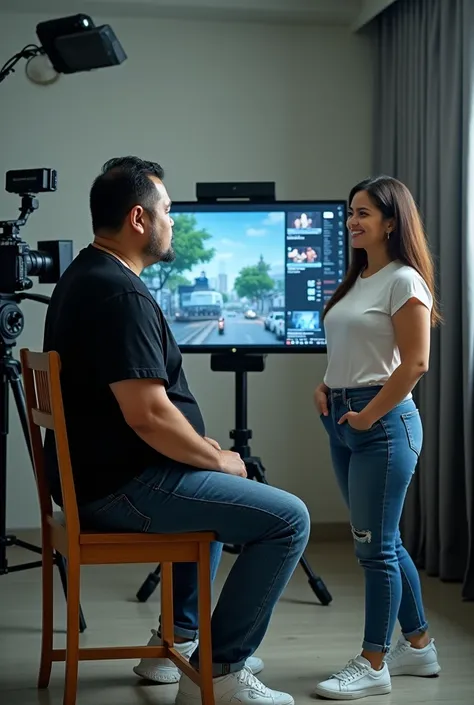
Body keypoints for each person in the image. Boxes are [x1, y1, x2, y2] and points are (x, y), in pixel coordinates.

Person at [42, 156, 310, 705]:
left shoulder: (86, 276)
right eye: (168, 211)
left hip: (103, 476)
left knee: (217, 499)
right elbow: (148, 415)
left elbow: (145, 414)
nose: (175, 222)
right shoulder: (120, 294)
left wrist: (198, 449)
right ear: (139, 218)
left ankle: (178, 643)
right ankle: (223, 671)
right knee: (288, 519)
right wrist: (217, 460)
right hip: (124, 484)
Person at [313, 176, 441, 700]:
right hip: (345, 421)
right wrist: (325, 382)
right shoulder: (359, 279)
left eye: (363, 213)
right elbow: (352, 346)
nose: (352, 222)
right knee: (381, 544)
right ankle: (420, 645)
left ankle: (373, 662)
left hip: (382, 426)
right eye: (350, 213)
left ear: (392, 221)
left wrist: (366, 417)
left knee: (374, 551)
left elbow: (415, 362)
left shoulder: (404, 280)